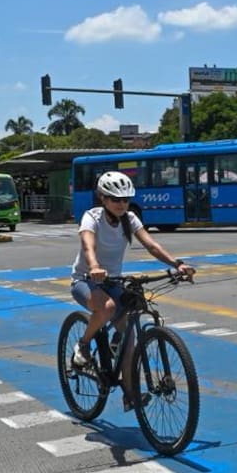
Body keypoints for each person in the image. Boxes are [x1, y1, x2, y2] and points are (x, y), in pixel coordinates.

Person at [69, 171, 194, 405]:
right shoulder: (91, 217)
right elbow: (88, 245)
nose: (121, 204)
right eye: (115, 199)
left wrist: (177, 264)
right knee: (107, 307)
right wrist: (94, 266)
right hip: (85, 280)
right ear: (103, 198)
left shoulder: (130, 219)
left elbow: (152, 245)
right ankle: (83, 346)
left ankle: (130, 394)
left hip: (113, 281)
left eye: (125, 199)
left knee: (130, 332)